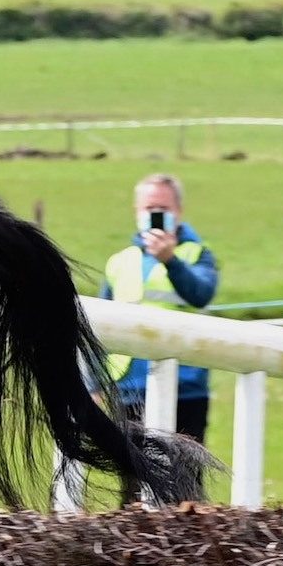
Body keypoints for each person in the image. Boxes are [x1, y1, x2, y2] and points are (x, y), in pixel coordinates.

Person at [97, 173, 218, 441]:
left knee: (184, 478)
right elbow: (99, 328)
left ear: (179, 211)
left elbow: (202, 294)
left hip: (184, 386)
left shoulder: (198, 255)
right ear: (136, 211)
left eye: (162, 209)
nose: (155, 215)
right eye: (149, 209)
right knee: (133, 480)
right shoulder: (120, 261)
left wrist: (170, 261)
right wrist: (94, 385)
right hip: (129, 388)